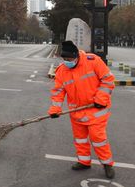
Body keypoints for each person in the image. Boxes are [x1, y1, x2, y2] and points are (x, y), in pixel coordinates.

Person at [48, 40, 116, 178]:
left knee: (98, 138)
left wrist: (101, 98)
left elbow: (108, 80)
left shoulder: (93, 61)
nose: (68, 61)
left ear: (76, 55)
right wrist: (55, 109)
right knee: (80, 139)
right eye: (65, 59)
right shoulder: (62, 71)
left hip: (96, 109)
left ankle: (107, 164)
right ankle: (84, 162)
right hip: (76, 111)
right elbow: (58, 91)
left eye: (70, 59)